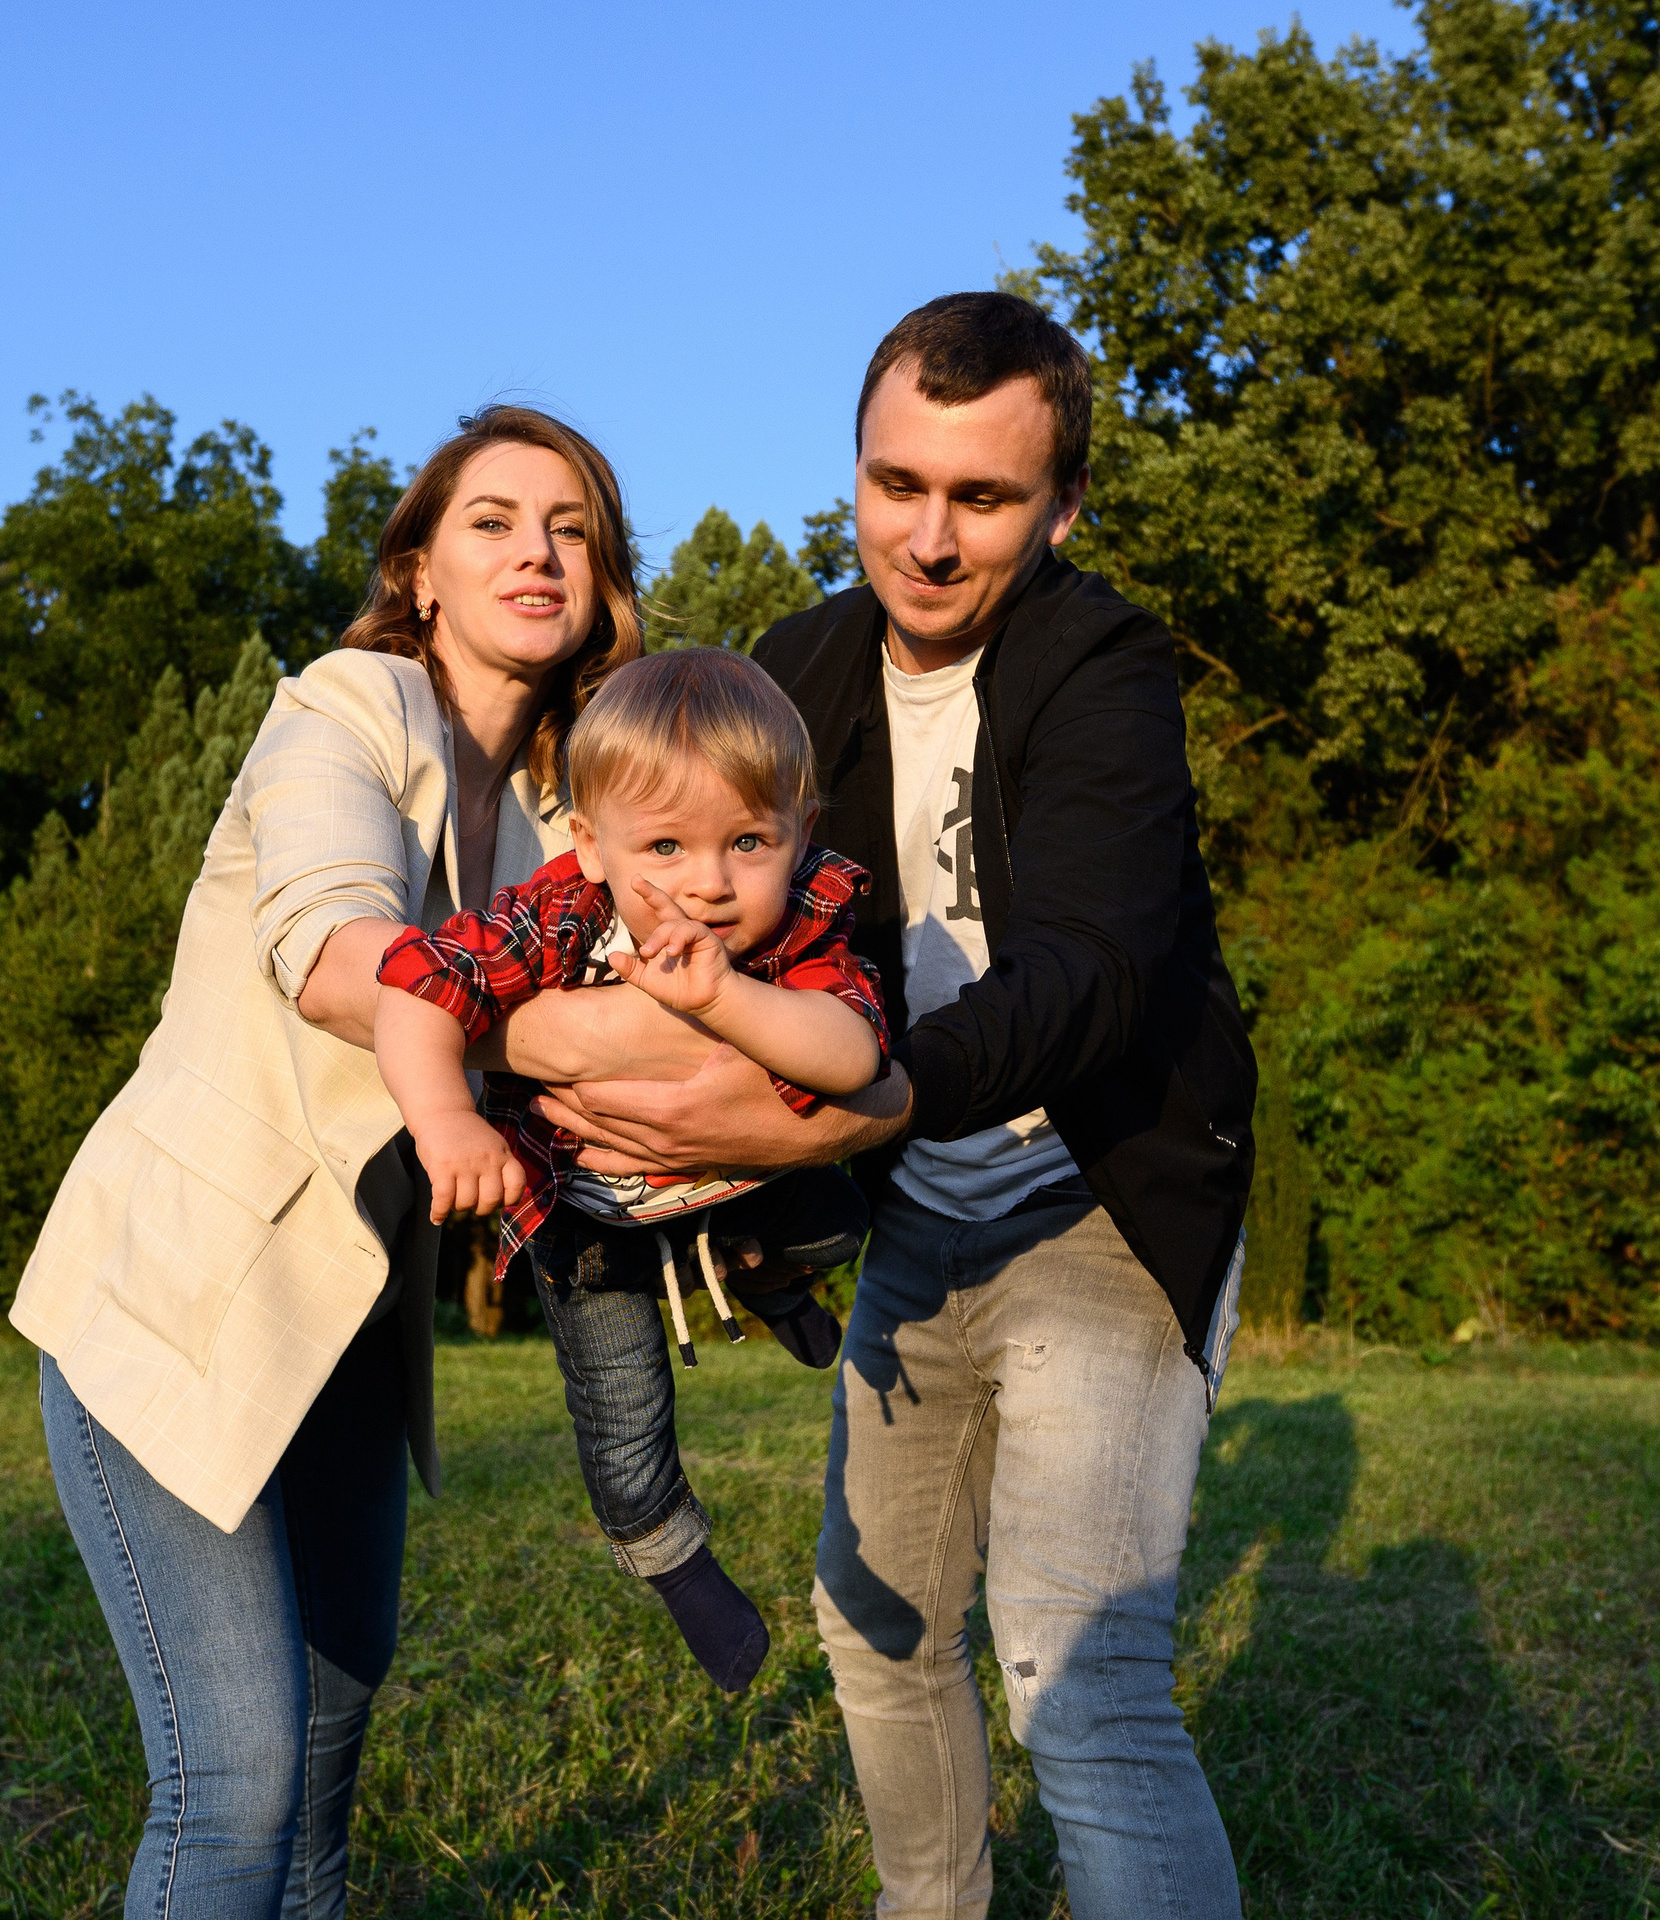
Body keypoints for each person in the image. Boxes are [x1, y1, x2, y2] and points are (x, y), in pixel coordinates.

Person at [531, 292, 1258, 1918]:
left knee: (1082, 1673)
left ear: (1063, 507)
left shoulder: (1108, 672)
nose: (926, 541)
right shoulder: (801, 672)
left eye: (983, 499)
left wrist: (866, 1107)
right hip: (920, 1225)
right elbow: (657, 837)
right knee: (880, 1629)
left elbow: (1093, 977)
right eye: (894, 486)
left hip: (1101, 1206)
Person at [8, 404, 644, 1919]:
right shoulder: (344, 706)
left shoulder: (575, 811)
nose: (535, 551)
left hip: (356, 1335)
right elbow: (332, 939)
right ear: (420, 570)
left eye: (570, 527)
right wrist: (467, 1075)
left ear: (605, 582)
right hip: (179, 1303)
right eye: (490, 521)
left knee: (320, 1775)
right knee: (232, 1791)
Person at [372, 644, 887, 1692]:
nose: (707, 885)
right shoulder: (558, 915)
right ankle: (669, 1552)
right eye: (665, 845)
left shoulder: (797, 927)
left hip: (742, 1180)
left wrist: (724, 1001)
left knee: (841, 1216)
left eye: (749, 841)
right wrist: (443, 1121)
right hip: (588, 1209)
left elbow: (854, 1055)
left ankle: (767, 1270)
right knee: (620, 1417)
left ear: (799, 833)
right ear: (591, 844)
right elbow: (419, 985)